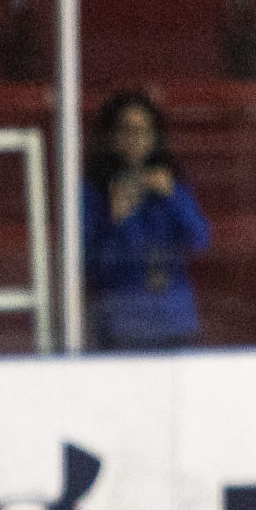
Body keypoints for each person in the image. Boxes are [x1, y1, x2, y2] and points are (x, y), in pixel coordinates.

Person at [82, 89, 211, 350]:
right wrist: (118, 220)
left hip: (173, 316)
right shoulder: (92, 192)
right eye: (126, 130)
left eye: (143, 131)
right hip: (122, 319)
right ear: (110, 136)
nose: (135, 139)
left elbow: (200, 239)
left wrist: (173, 198)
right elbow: (94, 266)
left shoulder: (170, 184)